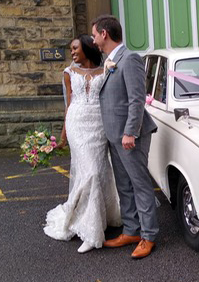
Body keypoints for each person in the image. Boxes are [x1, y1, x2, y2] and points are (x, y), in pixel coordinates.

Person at [43, 34, 121, 254]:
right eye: (71, 49)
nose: (73, 52)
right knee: (91, 173)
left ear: (87, 48)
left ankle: (97, 215)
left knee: (98, 171)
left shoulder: (107, 69)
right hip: (77, 124)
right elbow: (68, 103)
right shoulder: (68, 73)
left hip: (99, 124)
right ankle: (90, 231)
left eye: (76, 48)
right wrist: (63, 136)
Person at [91, 15, 159, 259]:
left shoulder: (129, 59)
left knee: (140, 184)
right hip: (114, 135)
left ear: (104, 34)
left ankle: (149, 235)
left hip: (131, 136)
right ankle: (131, 229)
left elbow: (137, 99)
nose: (93, 39)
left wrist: (131, 131)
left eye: (94, 35)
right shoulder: (110, 60)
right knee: (124, 185)